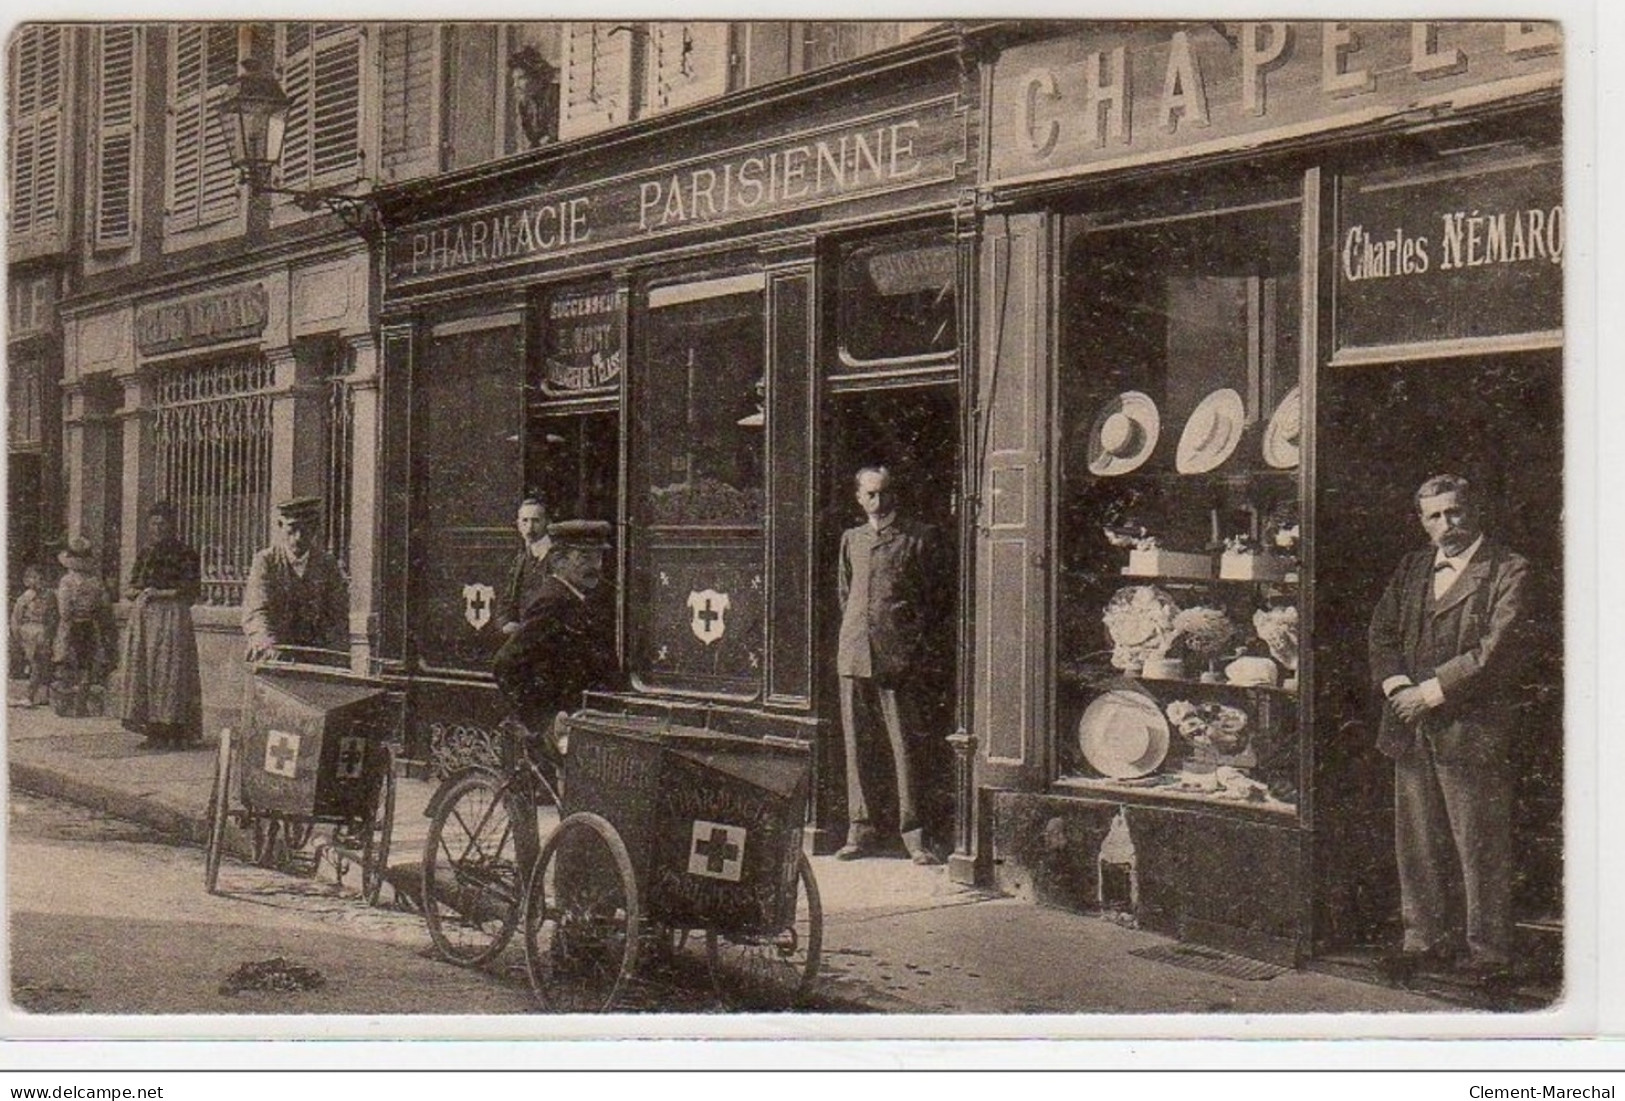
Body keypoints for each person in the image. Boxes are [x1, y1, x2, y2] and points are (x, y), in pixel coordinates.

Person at [1367, 473, 1531, 991]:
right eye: (1434, 516)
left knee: (1478, 844)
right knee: (1416, 843)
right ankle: (1423, 941)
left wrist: (1431, 692)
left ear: (1475, 510)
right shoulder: (1413, 566)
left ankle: (1489, 953)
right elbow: (1383, 633)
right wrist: (1398, 689)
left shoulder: (1509, 569)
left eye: (1455, 512)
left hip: (1470, 728)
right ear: (1422, 521)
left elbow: (1497, 651)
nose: (1446, 524)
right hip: (1410, 725)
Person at [835, 465, 944, 865]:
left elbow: (932, 603)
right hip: (853, 655)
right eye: (870, 495)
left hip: (897, 659)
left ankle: (914, 837)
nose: (877, 502)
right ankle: (859, 831)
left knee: (904, 746)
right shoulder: (852, 540)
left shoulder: (916, 539)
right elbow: (844, 595)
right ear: (858, 498)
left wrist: (909, 648)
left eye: (883, 493)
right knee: (857, 747)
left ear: (893, 494)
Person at [491, 520, 617, 759]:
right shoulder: (552, 601)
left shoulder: (585, 598)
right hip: (560, 729)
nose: (595, 566)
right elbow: (505, 664)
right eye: (584, 558)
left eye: (598, 558)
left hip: (588, 721)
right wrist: (543, 718)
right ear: (559, 561)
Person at [116, 501, 204, 749]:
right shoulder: (145, 553)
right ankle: (153, 729)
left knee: (171, 673)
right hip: (145, 619)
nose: (158, 528)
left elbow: (190, 590)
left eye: (163, 523)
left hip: (172, 618)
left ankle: (174, 730)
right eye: (153, 523)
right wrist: (137, 593)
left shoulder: (185, 553)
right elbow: (131, 585)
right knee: (146, 672)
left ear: (172, 525)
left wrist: (160, 593)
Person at [241, 496, 349, 664]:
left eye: (306, 529)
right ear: (280, 526)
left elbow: (337, 616)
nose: (298, 537)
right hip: (274, 655)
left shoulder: (327, 564)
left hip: (316, 657)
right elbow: (257, 611)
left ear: (315, 529)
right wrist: (268, 644)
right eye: (293, 528)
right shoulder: (266, 561)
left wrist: (336, 655)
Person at [51, 536, 117, 717]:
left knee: (67, 662)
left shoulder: (66, 582)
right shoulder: (95, 582)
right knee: (86, 665)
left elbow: (64, 610)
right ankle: (81, 704)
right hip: (90, 625)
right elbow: (105, 605)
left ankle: (67, 704)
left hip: (72, 625)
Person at [498, 497, 552, 639]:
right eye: (525, 521)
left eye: (536, 521)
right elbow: (507, 599)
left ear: (547, 523)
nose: (529, 527)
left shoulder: (557, 557)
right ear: (518, 525)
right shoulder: (520, 560)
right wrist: (506, 623)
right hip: (522, 635)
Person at [9, 564, 58, 708]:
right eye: (33, 578)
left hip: (44, 631)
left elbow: (54, 615)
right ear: (26, 581)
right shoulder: (25, 598)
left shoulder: (49, 596)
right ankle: (30, 694)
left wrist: (51, 631)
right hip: (29, 632)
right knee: (36, 663)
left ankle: (41, 695)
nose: (37, 581)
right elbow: (16, 618)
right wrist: (18, 635)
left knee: (44, 664)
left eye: (40, 578)